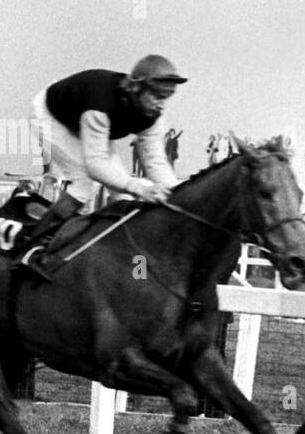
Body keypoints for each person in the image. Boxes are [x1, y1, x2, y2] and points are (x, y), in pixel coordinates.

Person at [19, 54, 186, 280]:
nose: (161, 104)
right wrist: (140, 188)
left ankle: (134, 271)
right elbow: (96, 167)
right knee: (85, 183)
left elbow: (155, 161)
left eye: (166, 97)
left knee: (123, 197)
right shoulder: (101, 102)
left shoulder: (153, 116)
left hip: (84, 120)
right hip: (50, 116)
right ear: (136, 88)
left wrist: (178, 195)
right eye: (156, 96)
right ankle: (33, 249)